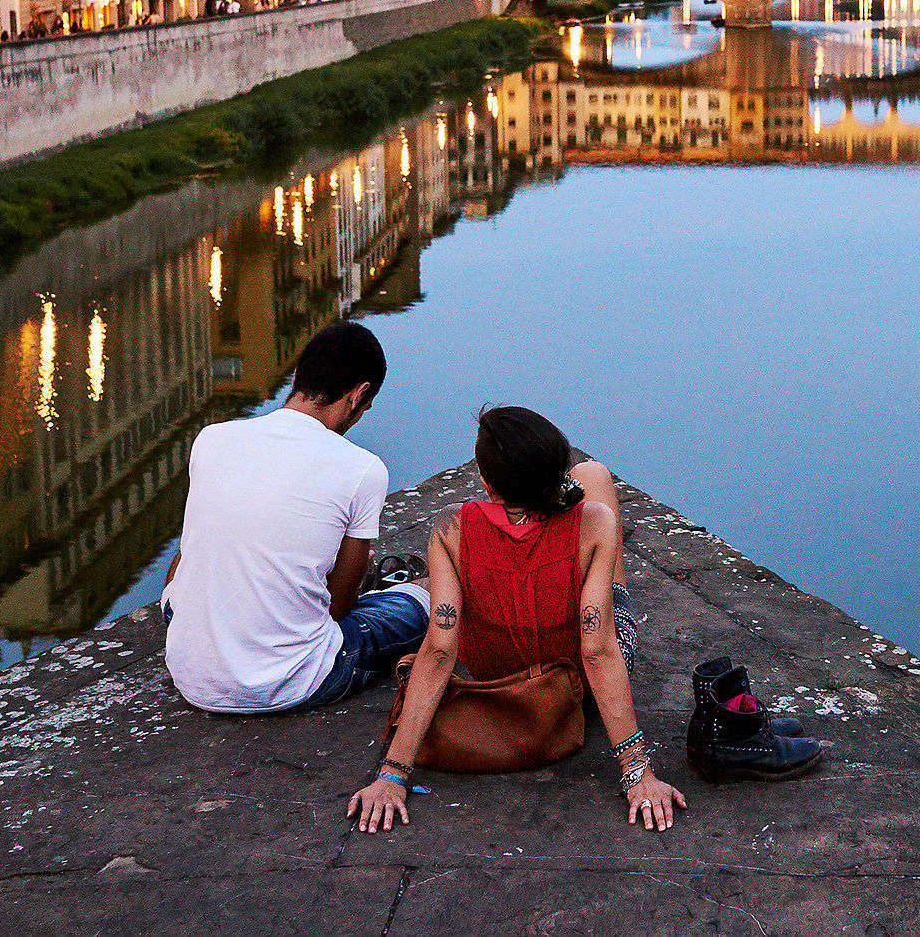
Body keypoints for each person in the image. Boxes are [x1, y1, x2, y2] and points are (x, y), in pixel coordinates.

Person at [347, 408, 691, 835]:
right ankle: (600, 562)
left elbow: (439, 649)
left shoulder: (450, 525)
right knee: (597, 476)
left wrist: (392, 774)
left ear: (487, 482)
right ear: (556, 477)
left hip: (496, 677)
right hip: (570, 690)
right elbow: (598, 649)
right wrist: (638, 773)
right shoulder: (594, 520)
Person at [163, 323, 429, 714]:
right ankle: (405, 587)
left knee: (183, 566)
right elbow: (338, 608)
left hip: (192, 674)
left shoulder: (211, 439)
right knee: (426, 597)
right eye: (365, 408)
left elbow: (188, 558)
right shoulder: (363, 470)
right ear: (359, 396)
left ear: (297, 378)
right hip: (292, 680)